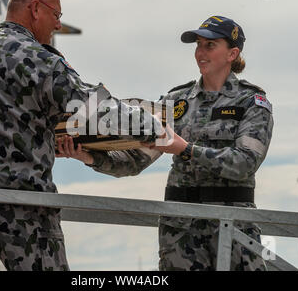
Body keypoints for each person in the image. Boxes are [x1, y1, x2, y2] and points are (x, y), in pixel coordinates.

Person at [0, 0, 160, 271]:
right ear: (35, 8)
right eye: (57, 14)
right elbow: (93, 108)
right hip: (21, 207)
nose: (59, 25)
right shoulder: (39, 60)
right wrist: (151, 124)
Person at [57, 15, 274, 271]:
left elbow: (244, 163)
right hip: (182, 235)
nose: (200, 53)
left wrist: (186, 149)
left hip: (233, 228)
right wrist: (90, 157)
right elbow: (135, 161)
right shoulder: (174, 102)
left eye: (210, 45)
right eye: (198, 45)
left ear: (232, 53)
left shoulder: (252, 102)